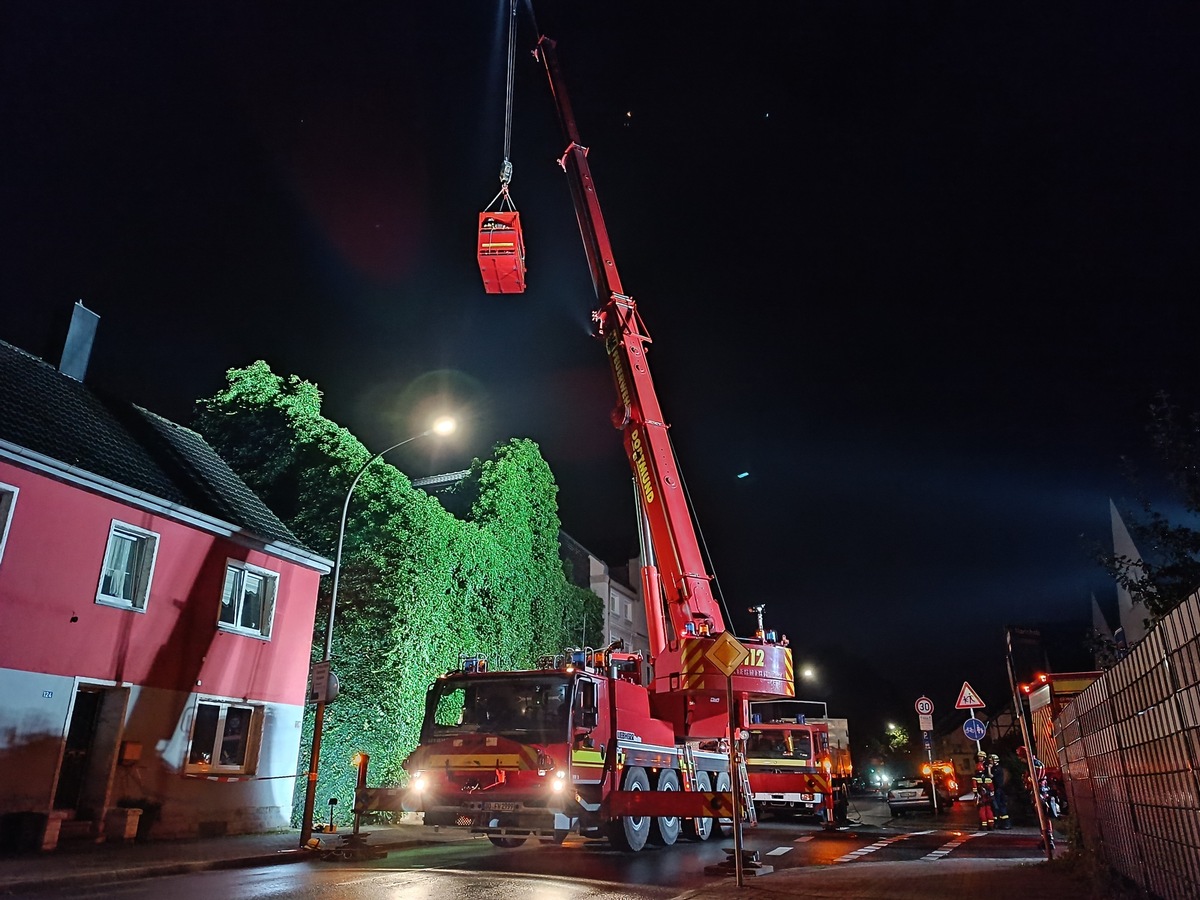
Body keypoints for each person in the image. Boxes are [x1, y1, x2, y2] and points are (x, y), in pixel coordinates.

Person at [972, 750, 995, 829]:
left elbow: (974, 784)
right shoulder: (988, 773)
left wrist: (976, 793)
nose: (979, 758)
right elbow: (991, 784)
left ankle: (984, 825)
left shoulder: (977, 774)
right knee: (988, 808)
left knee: (982, 809)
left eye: (980, 757)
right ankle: (991, 825)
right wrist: (992, 792)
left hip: (981, 793)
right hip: (987, 793)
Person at [988, 753, 1011, 829]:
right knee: (1000, 806)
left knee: (998, 806)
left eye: (991, 760)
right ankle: (1003, 824)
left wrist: (988, 769)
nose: (990, 762)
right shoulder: (998, 768)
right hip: (1000, 789)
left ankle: (1004, 824)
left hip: (998, 789)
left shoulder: (996, 769)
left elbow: (991, 776)